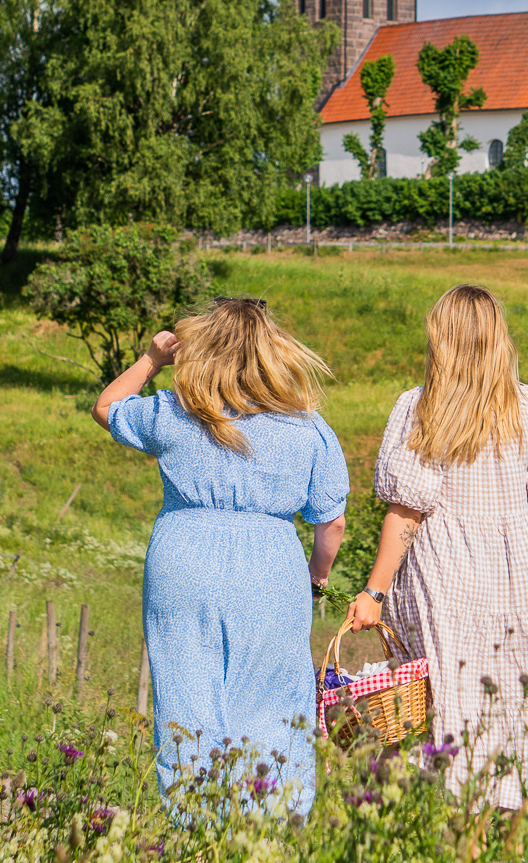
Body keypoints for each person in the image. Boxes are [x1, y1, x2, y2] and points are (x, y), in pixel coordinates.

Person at [347, 284, 528, 807]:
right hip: (520, 568)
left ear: (440, 341)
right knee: (525, 693)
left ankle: (459, 827)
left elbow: (407, 511)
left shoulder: (421, 408)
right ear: (499, 339)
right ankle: (515, 829)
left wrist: (375, 592)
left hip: (444, 573)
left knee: (452, 695)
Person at [93, 297, 349, 814]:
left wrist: (151, 359)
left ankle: (196, 827)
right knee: (272, 702)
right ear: (274, 353)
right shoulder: (307, 427)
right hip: (272, 566)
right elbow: (332, 522)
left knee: (186, 698)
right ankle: (269, 826)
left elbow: (106, 408)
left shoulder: (175, 413)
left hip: (183, 561)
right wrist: (316, 577)